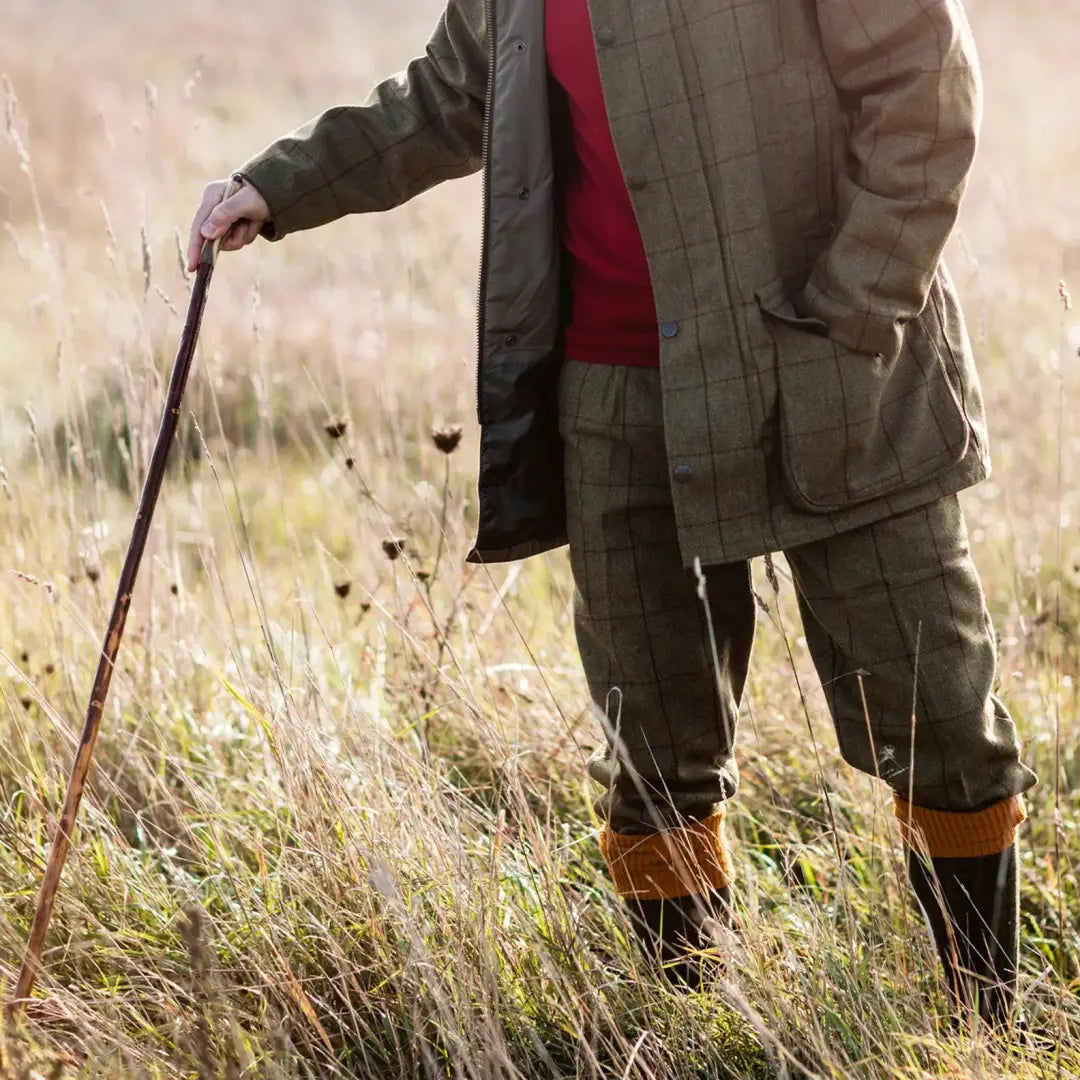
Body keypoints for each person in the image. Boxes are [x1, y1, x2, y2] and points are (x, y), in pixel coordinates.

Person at [188, 0, 1037, 1024]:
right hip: (613, 395)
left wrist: (857, 307)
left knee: (934, 709)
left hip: (832, 364)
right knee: (652, 743)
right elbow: (453, 93)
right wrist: (273, 189)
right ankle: (694, 1027)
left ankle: (987, 1020)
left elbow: (925, 87)